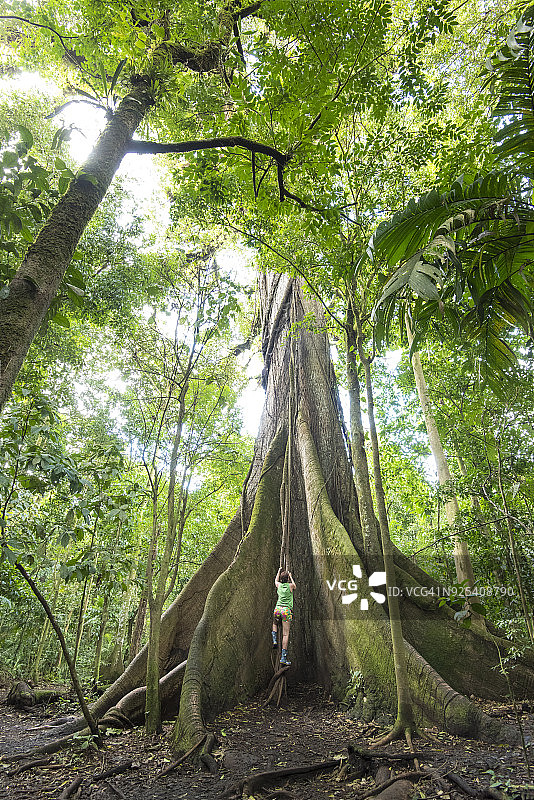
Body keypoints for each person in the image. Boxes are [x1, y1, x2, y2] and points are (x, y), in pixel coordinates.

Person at [272, 566, 296, 665]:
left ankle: (274, 640)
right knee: (285, 634)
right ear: (288, 579)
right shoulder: (290, 586)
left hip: (277, 609)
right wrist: (291, 577)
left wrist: (278, 571)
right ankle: (283, 658)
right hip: (286, 611)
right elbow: (295, 585)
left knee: (274, 624)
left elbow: (275, 580)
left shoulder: (279, 585)